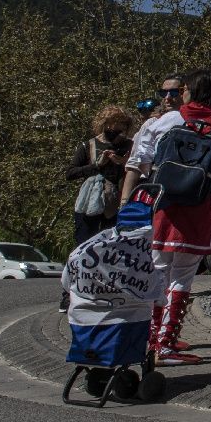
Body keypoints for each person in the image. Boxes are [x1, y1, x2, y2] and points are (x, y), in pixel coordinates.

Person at [119, 68, 211, 366]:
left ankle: (150, 338)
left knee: (157, 271)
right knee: (183, 277)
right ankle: (168, 342)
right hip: (197, 208)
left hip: (162, 204)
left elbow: (141, 160)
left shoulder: (167, 121)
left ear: (190, 91)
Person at [61, 105, 134, 310]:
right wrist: (97, 165)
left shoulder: (130, 145)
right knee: (82, 247)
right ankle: (70, 292)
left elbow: (137, 172)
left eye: (122, 124)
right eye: (114, 123)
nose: (117, 128)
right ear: (104, 123)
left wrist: (123, 163)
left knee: (112, 248)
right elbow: (70, 173)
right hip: (89, 204)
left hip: (116, 203)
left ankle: (106, 291)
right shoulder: (88, 145)